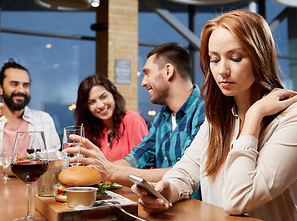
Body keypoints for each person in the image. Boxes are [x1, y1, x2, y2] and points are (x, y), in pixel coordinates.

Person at [131, 10, 297, 220]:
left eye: (235, 58)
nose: (222, 71)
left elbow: (239, 200)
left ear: (260, 58)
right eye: (214, 59)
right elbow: (189, 167)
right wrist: (168, 190)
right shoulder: (218, 119)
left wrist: (255, 115)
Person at [63, 42, 206, 198]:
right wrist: (96, 168)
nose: (143, 82)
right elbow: (138, 157)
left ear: (168, 71)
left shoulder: (204, 113)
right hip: (162, 206)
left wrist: (111, 171)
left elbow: (185, 171)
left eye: (147, 73)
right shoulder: (162, 117)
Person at [0, 60, 61, 164]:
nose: (21, 90)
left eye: (26, 85)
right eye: (14, 84)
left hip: (32, 180)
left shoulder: (45, 120)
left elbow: (56, 162)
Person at [74, 73, 148, 161]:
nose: (100, 105)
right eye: (92, 102)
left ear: (113, 94)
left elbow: (142, 162)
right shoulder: (90, 128)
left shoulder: (132, 119)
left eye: (104, 97)